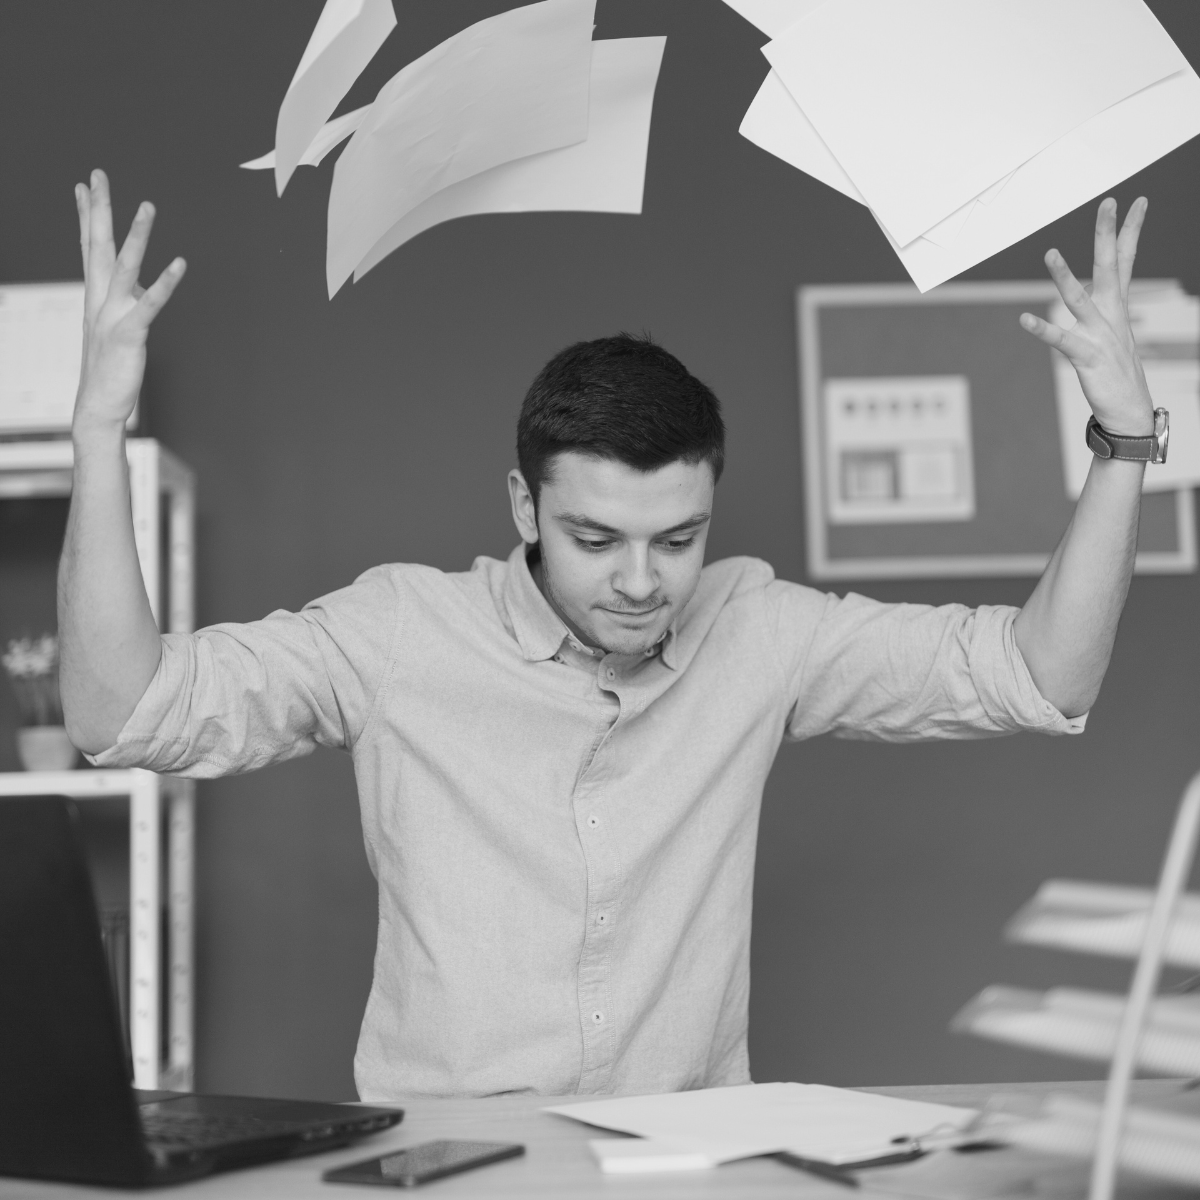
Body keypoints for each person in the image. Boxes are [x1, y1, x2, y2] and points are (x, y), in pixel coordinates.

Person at [60, 170, 1161, 1101]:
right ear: (524, 507)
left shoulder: (759, 629)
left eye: (679, 539)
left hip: (686, 1166)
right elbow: (123, 714)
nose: (642, 582)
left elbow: (1040, 675)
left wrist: (1123, 438)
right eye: (596, 539)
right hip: (450, 1163)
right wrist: (100, 433)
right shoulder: (399, 630)